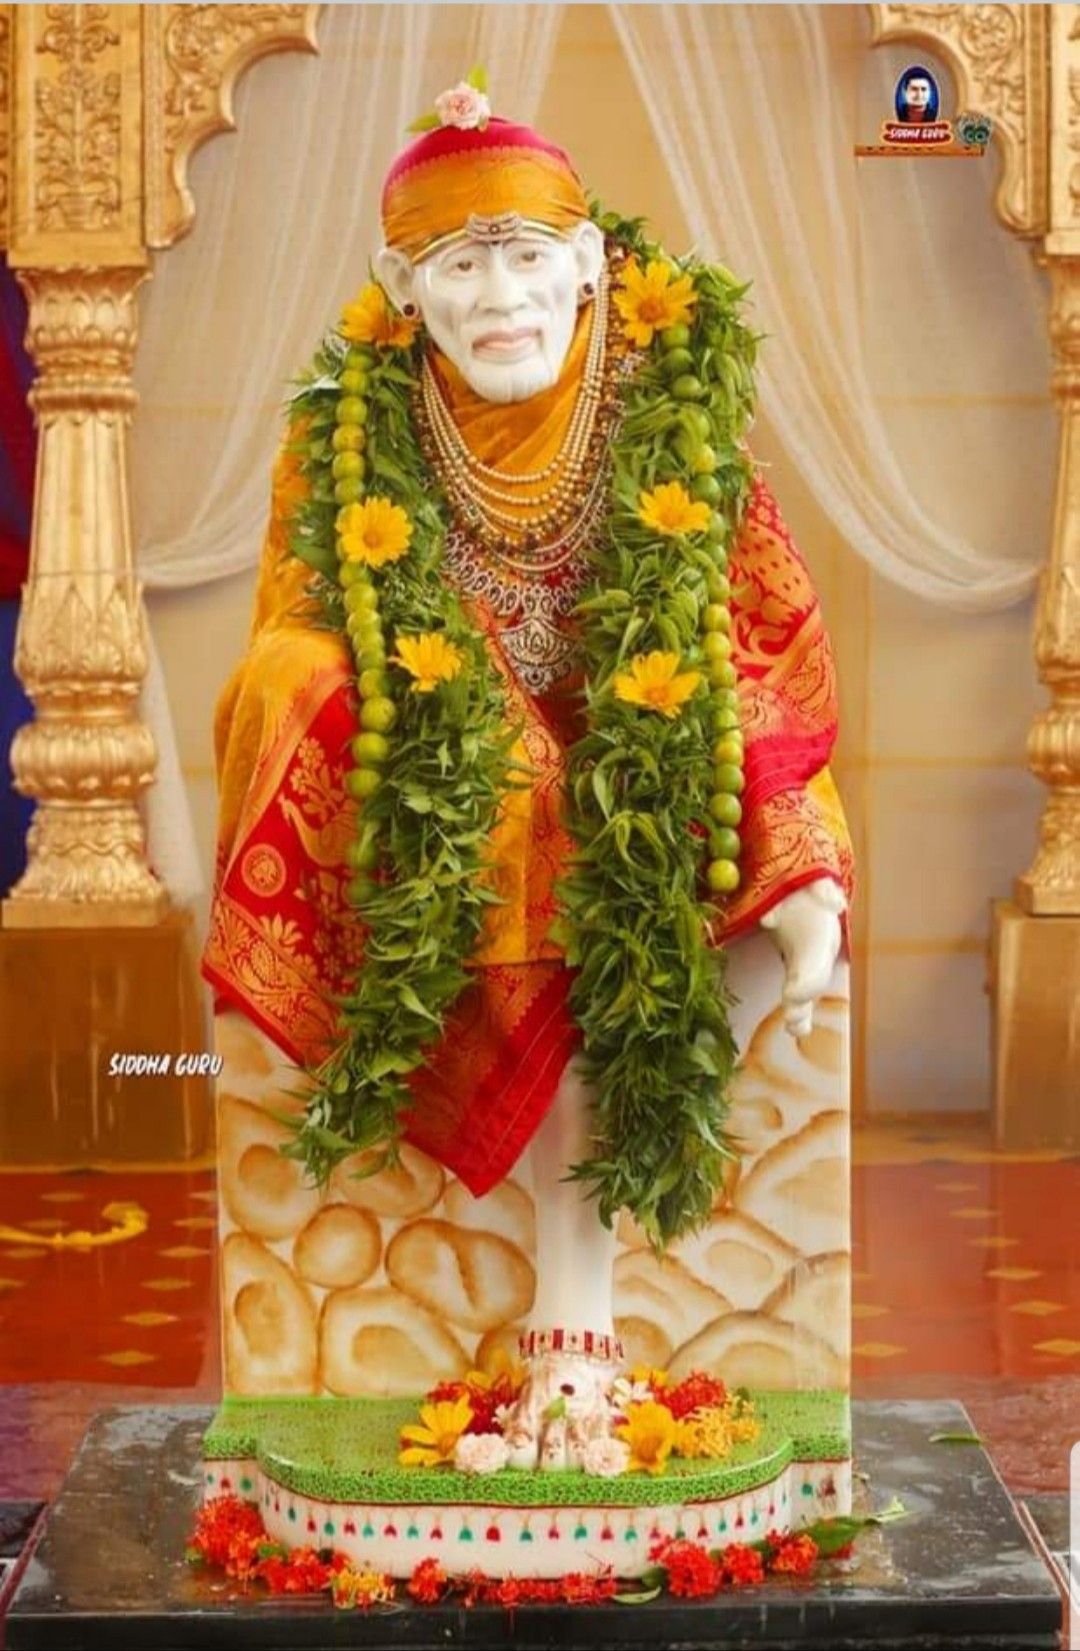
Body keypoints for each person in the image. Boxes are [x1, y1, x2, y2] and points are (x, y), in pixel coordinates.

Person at [204, 83, 853, 1466]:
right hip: (455, 794)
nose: (499, 297)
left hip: (652, 760)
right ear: (402, 287)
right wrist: (358, 704)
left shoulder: (665, 402)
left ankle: (584, 1288)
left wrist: (780, 835)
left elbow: (752, 632)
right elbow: (303, 619)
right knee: (311, 692)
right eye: (457, 264)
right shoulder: (343, 432)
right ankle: (578, 1306)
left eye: (524, 255)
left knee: (743, 862)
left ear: (589, 263)